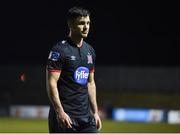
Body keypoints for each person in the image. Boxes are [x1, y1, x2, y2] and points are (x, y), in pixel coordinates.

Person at [46, 6, 102, 133]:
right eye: (81, 23)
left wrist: (95, 112)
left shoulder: (90, 51)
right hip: (66, 118)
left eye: (88, 23)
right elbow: (51, 83)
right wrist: (60, 112)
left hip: (86, 118)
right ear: (70, 24)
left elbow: (90, 83)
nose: (86, 27)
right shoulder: (59, 51)